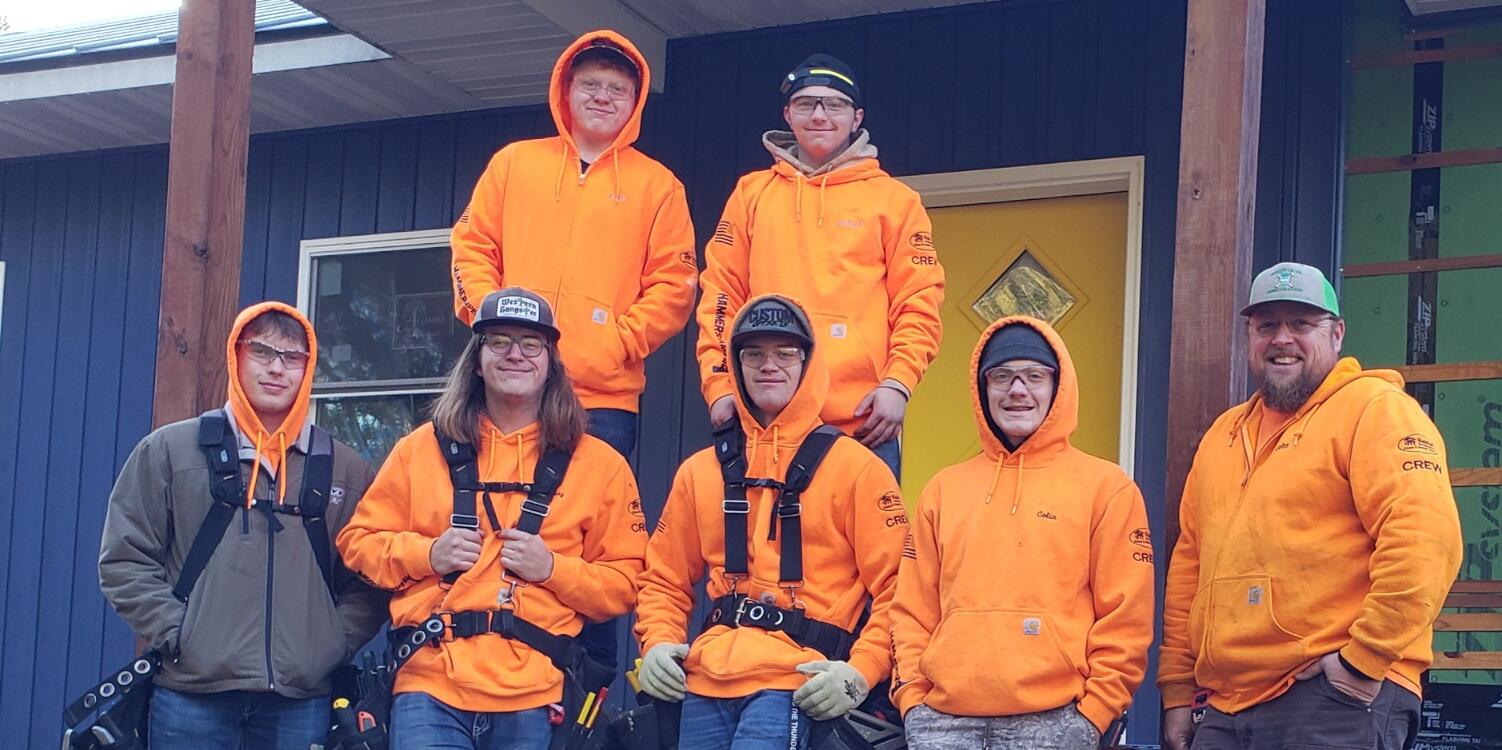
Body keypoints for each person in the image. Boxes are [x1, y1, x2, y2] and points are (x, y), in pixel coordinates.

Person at [1158, 262, 1463, 750]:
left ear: (1337, 333)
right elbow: (1189, 566)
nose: (1282, 338)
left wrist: (1363, 660)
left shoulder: (1375, 410)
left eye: (1301, 323)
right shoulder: (1224, 435)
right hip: (1225, 705)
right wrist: (1177, 688)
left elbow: (1425, 541)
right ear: (1250, 337)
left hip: (1332, 698)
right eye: (1267, 326)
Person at [337, 287, 647, 750]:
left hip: (537, 693)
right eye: (498, 341)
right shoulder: (419, 449)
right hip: (429, 686)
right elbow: (356, 543)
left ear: (551, 361)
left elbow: (627, 584)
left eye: (531, 343)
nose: (514, 355)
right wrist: (427, 554)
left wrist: (553, 570)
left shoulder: (600, 465)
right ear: (476, 358)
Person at [98, 302, 385, 750]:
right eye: (262, 352)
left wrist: (329, 644)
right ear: (236, 356)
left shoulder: (346, 470)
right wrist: (180, 635)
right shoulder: (170, 452)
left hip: (301, 702)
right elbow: (125, 559)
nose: (277, 368)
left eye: (292, 357)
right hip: (190, 694)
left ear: (308, 369)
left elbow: (370, 577)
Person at [637, 295, 906, 748]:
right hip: (704, 681)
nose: (769, 365)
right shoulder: (700, 471)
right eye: (754, 353)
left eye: (785, 353)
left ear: (808, 362)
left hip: (799, 684)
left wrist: (860, 672)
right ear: (736, 365)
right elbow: (663, 579)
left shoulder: (858, 469)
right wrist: (658, 643)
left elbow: (902, 587)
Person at [888, 317, 1153, 749]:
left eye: (1034, 376)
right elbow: (912, 610)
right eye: (1002, 376)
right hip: (942, 724)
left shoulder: (1107, 487)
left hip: (1058, 721)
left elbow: (1127, 617)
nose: (1017, 390)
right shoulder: (943, 489)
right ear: (982, 388)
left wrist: (1095, 714)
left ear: (1058, 387)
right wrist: (914, 702)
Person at [451, 29, 695, 464]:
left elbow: (675, 284)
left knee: (587, 526)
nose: (603, 97)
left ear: (635, 101)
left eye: (617, 89)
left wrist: (617, 343)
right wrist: (493, 321)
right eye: (591, 84)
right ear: (567, 90)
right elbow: (471, 248)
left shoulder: (659, 186)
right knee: (493, 519)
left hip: (603, 400)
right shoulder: (514, 163)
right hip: (506, 383)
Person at [696, 53, 945, 476]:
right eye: (806, 103)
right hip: (763, 417)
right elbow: (721, 296)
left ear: (856, 117)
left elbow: (918, 302)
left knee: (868, 544)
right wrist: (719, 385)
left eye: (834, 105)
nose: (819, 115)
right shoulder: (751, 193)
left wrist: (897, 384)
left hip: (862, 421)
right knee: (755, 542)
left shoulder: (895, 201)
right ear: (788, 114)